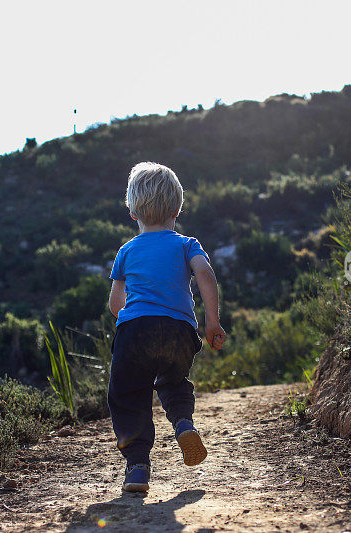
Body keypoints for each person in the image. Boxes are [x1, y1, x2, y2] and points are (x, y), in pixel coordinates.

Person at [107, 161, 226, 493]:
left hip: (136, 330)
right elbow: (205, 274)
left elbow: (116, 304)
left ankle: (137, 467)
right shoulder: (187, 244)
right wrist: (212, 322)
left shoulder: (126, 251)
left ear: (133, 213)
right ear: (177, 208)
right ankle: (184, 423)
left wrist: (132, 325)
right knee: (173, 381)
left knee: (128, 393)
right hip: (179, 330)